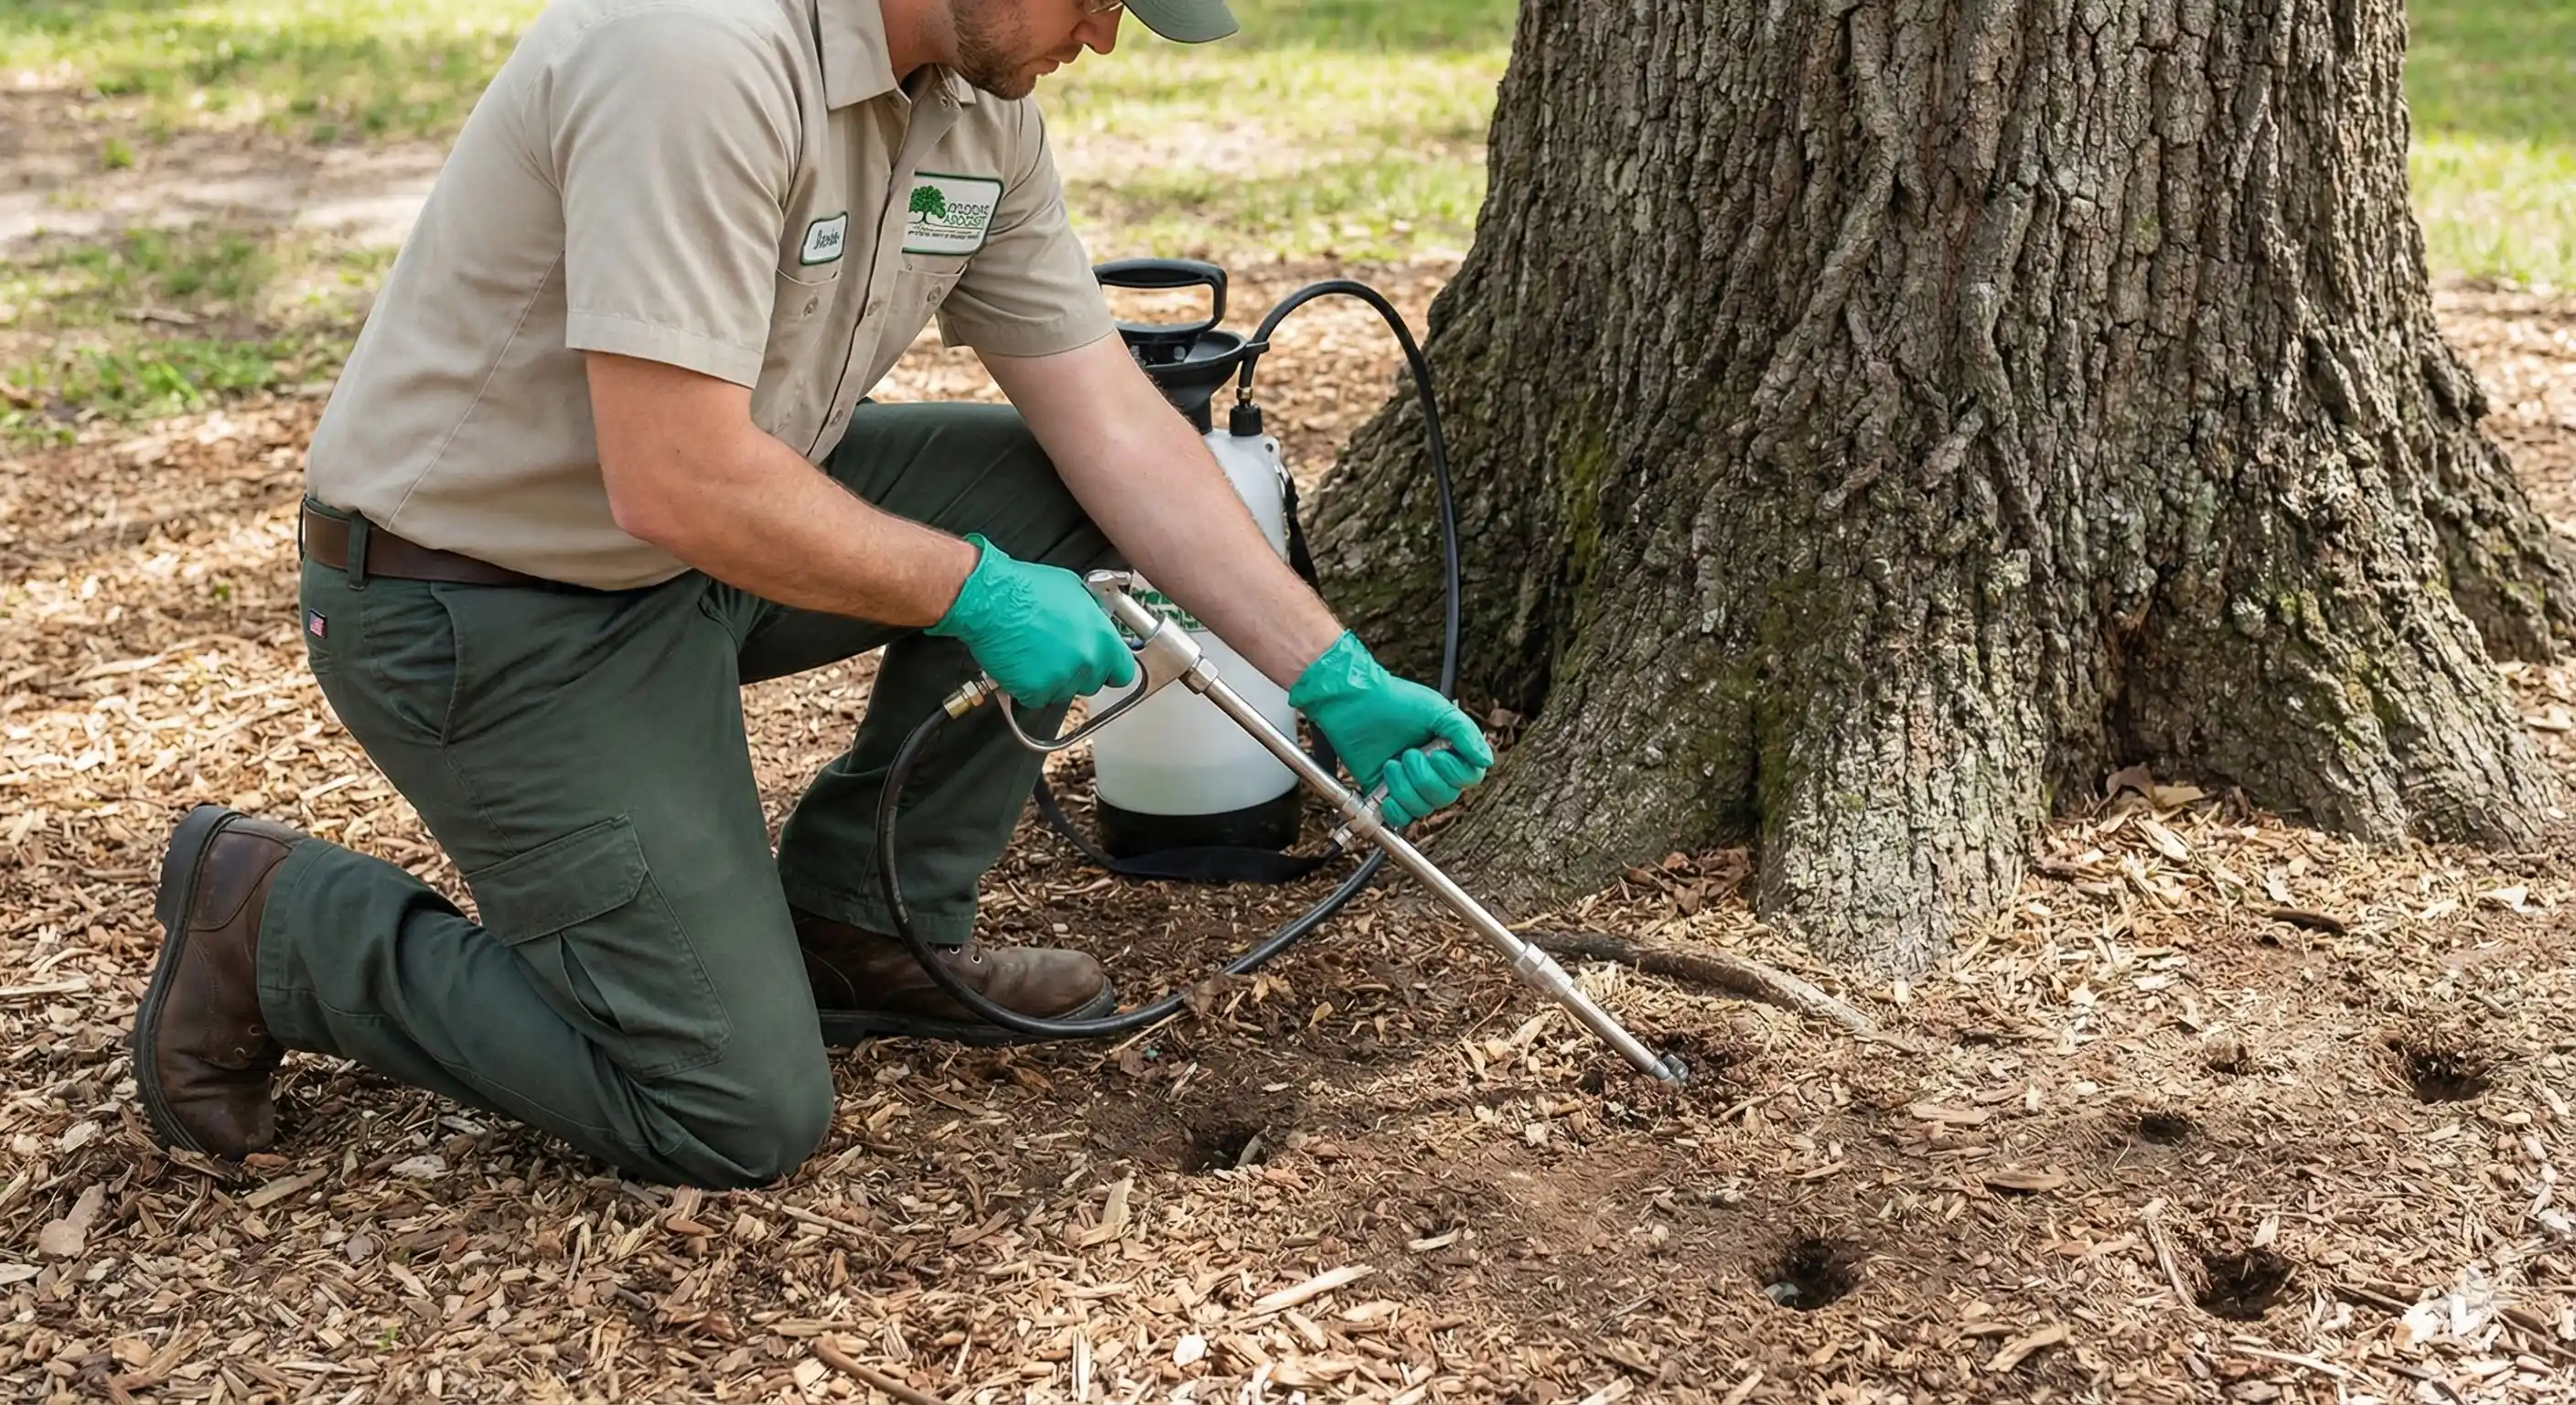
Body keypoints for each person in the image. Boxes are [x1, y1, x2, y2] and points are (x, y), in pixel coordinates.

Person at [123, 0, 1491, 1191]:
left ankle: (865, 924)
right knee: (730, 1111)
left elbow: (1115, 429)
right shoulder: (697, 53)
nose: (1103, 34)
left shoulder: (974, 101)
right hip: (489, 603)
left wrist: (1333, 676)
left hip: (705, 549)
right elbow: (677, 481)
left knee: (1069, 500)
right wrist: (972, 588)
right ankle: (282, 922)